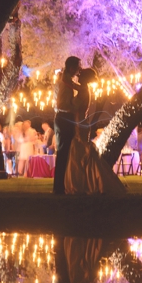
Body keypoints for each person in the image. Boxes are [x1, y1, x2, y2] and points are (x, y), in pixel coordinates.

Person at [53, 56, 82, 194]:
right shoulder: (65, 81)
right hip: (64, 118)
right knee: (63, 153)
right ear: (72, 68)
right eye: (78, 67)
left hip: (65, 118)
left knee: (65, 153)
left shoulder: (66, 80)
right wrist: (76, 103)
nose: (79, 70)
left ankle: (61, 186)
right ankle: (59, 188)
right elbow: (62, 104)